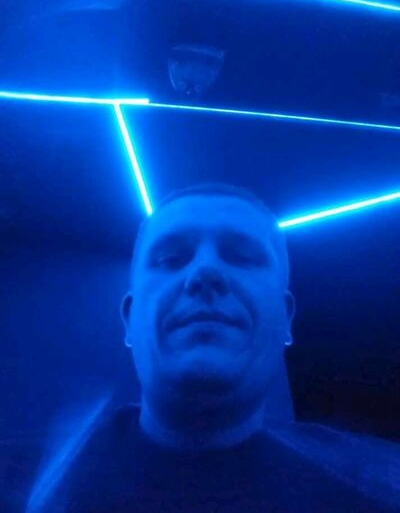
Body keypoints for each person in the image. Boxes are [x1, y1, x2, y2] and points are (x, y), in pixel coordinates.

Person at [27, 183, 400, 512]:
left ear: (286, 318)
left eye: (243, 257)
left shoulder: (382, 487)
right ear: (129, 319)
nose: (205, 271)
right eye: (170, 260)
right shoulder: (18, 484)